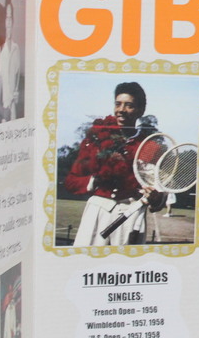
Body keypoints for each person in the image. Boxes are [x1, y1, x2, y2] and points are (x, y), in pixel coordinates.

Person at [65, 81, 165, 246]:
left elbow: (158, 192)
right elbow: (71, 181)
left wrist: (155, 197)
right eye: (118, 104)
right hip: (97, 213)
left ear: (141, 110)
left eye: (129, 106)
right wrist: (95, 180)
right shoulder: (96, 138)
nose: (121, 110)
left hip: (130, 215)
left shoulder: (149, 146)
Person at [0, 0, 22, 123]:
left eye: (10, 18)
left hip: (13, 107)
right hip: (3, 108)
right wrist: (1, 108)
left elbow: (17, 76)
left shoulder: (16, 48)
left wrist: (16, 96)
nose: (8, 22)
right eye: (6, 18)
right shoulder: (0, 49)